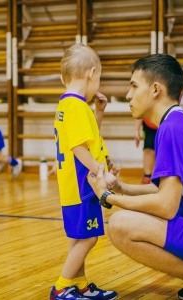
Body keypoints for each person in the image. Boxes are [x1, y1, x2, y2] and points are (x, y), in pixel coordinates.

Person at [87, 53, 183, 300]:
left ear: (156, 89)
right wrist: (121, 187)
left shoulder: (172, 127)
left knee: (120, 226)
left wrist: (107, 197)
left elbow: (165, 205)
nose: (128, 95)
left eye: (134, 86)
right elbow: (164, 191)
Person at [51, 43, 118, 300]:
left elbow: (87, 139)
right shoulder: (77, 107)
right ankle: (60, 287)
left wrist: (98, 113)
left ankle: (78, 284)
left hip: (72, 187)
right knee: (89, 239)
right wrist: (102, 173)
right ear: (92, 73)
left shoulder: (68, 105)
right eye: (98, 77)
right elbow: (79, 147)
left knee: (79, 238)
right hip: (83, 187)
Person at [134, 118, 157, 184]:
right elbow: (140, 112)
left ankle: (158, 176)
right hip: (149, 124)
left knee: (163, 150)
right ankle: (147, 175)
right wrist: (136, 130)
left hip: (163, 123)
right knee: (148, 148)